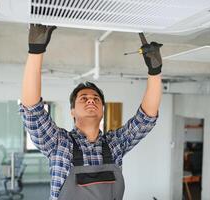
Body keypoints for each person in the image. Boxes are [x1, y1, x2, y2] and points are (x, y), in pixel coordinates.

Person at [20, 24, 163, 200]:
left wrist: (155, 72)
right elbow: (32, 110)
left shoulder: (114, 144)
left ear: (102, 110)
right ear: (72, 111)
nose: (91, 100)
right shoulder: (60, 145)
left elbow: (146, 119)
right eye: (83, 98)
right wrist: (35, 52)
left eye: (96, 99)